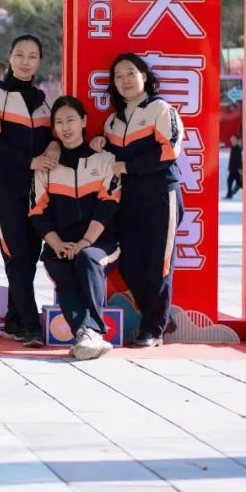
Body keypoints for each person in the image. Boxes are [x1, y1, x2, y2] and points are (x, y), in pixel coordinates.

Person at [94, 53, 183, 348]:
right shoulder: (112, 122)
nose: (125, 80)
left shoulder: (161, 108)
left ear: (144, 75)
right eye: (118, 76)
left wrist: (129, 167)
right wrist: (99, 143)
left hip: (161, 195)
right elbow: (109, 162)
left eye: (130, 73)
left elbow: (169, 150)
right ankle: (160, 318)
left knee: (159, 264)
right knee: (129, 263)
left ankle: (152, 329)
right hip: (128, 201)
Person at [0, 34, 59, 347]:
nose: (25, 62)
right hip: (5, 184)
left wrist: (54, 145)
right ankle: (30, 326)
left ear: (40, 62)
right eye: (20, 54)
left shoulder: (44, 100)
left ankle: (13, 321)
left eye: (32, 56)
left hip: (37, 187)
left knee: (30, 255)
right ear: (10, 57)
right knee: (15, 254)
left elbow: (57, 133)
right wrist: (31, 161)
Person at [30, 96, 120, 360]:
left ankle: (91, 332)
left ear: (83, 121)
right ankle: (87, 334)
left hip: (101, 243)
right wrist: (57, 244)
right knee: (61, 268)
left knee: (86, 258)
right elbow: (37, 212)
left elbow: (108, 205)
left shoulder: (105, 160)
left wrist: (85, 242)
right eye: (59, 122)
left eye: (70, 120)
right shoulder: (46, 167)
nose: (65, 127)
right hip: (60, 243)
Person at [227, 134, 242, 199]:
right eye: (231, 139)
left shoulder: (237, 148)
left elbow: (239, 159)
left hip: (235, 169)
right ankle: (229, 194)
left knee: (230, 181)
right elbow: (231, 159)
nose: (231, 141)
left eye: (233, 139)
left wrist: (239, 168)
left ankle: (229, 195)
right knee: (237, 182)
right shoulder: (234, 148)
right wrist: (229, 167)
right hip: (233, 168)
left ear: (237, 140)